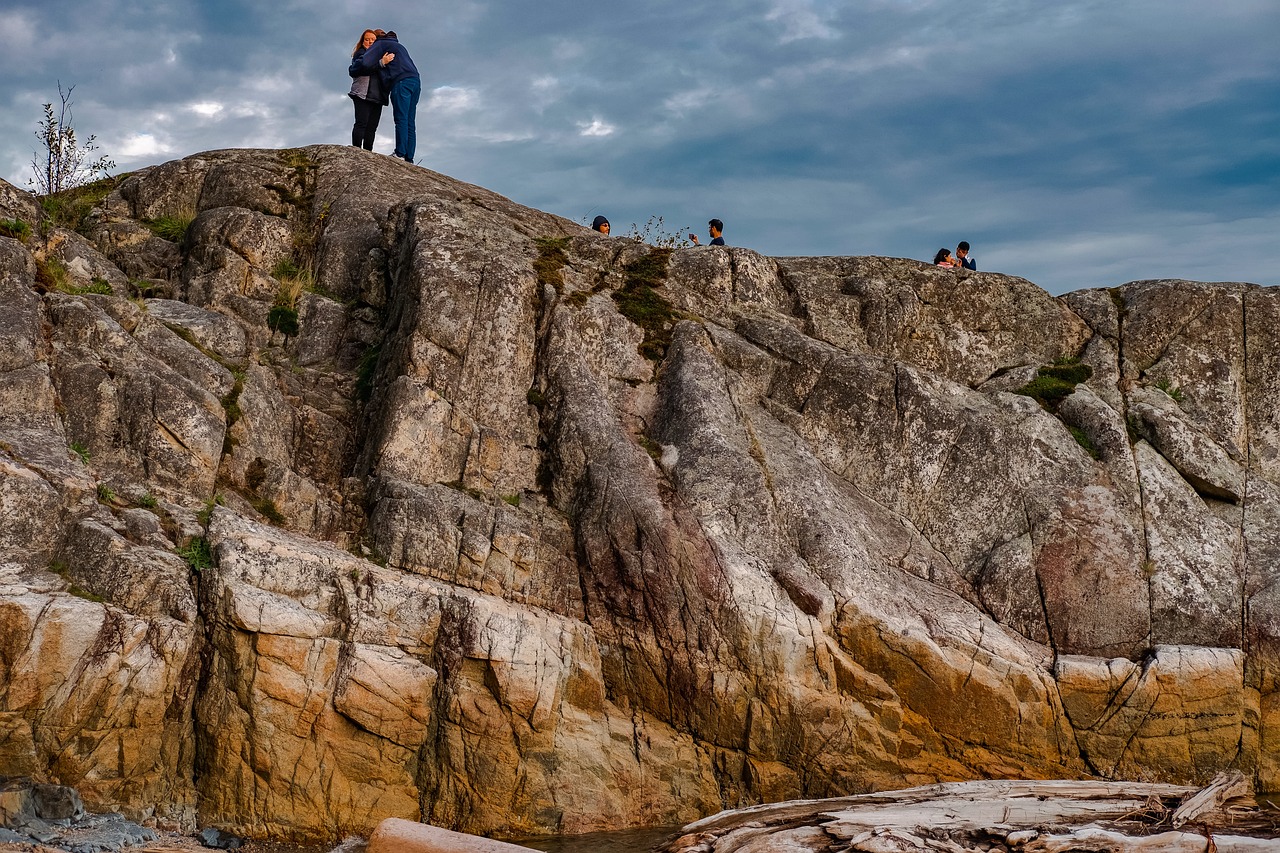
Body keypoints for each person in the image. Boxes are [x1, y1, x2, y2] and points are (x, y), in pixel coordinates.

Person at [355, 30, 421, 162]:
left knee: (401, 118)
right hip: (415, 81)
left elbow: (365, 63)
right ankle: (409, 157)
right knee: (410, 120)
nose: (372, 43)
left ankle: (400, 153)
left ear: (378, 38)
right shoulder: (399, 46)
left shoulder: (381, 43)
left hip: (401, 83)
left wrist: (380, 61)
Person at [347, 29, 388, 151]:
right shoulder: (360, 54)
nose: (370, 42)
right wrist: (381, 63)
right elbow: (362, 67)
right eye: (367, 39)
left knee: (372, 127)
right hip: (362, 93)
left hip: (377, 96)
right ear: (362, 41)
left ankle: (368, 153)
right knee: (361, 123)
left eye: (373, 40)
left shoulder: (380, 55)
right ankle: (356, 151)